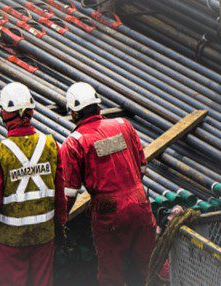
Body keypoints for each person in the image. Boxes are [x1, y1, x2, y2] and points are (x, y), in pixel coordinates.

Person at [0, 82, 67, 286]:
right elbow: (59, 192)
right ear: (31, 111)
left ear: (4, 113)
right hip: (44, 234)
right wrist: (60, 225)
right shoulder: (50, 144)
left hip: (10, 241)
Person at [61, 82, 156, 286]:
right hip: (139, 202)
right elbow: (142, 169)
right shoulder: (123, 125)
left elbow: (69, 193)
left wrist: (58, 223)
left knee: (111, 273)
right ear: (98, 106)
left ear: (74, 113)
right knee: (152, 265)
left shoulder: (75, 142)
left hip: (108, 210)